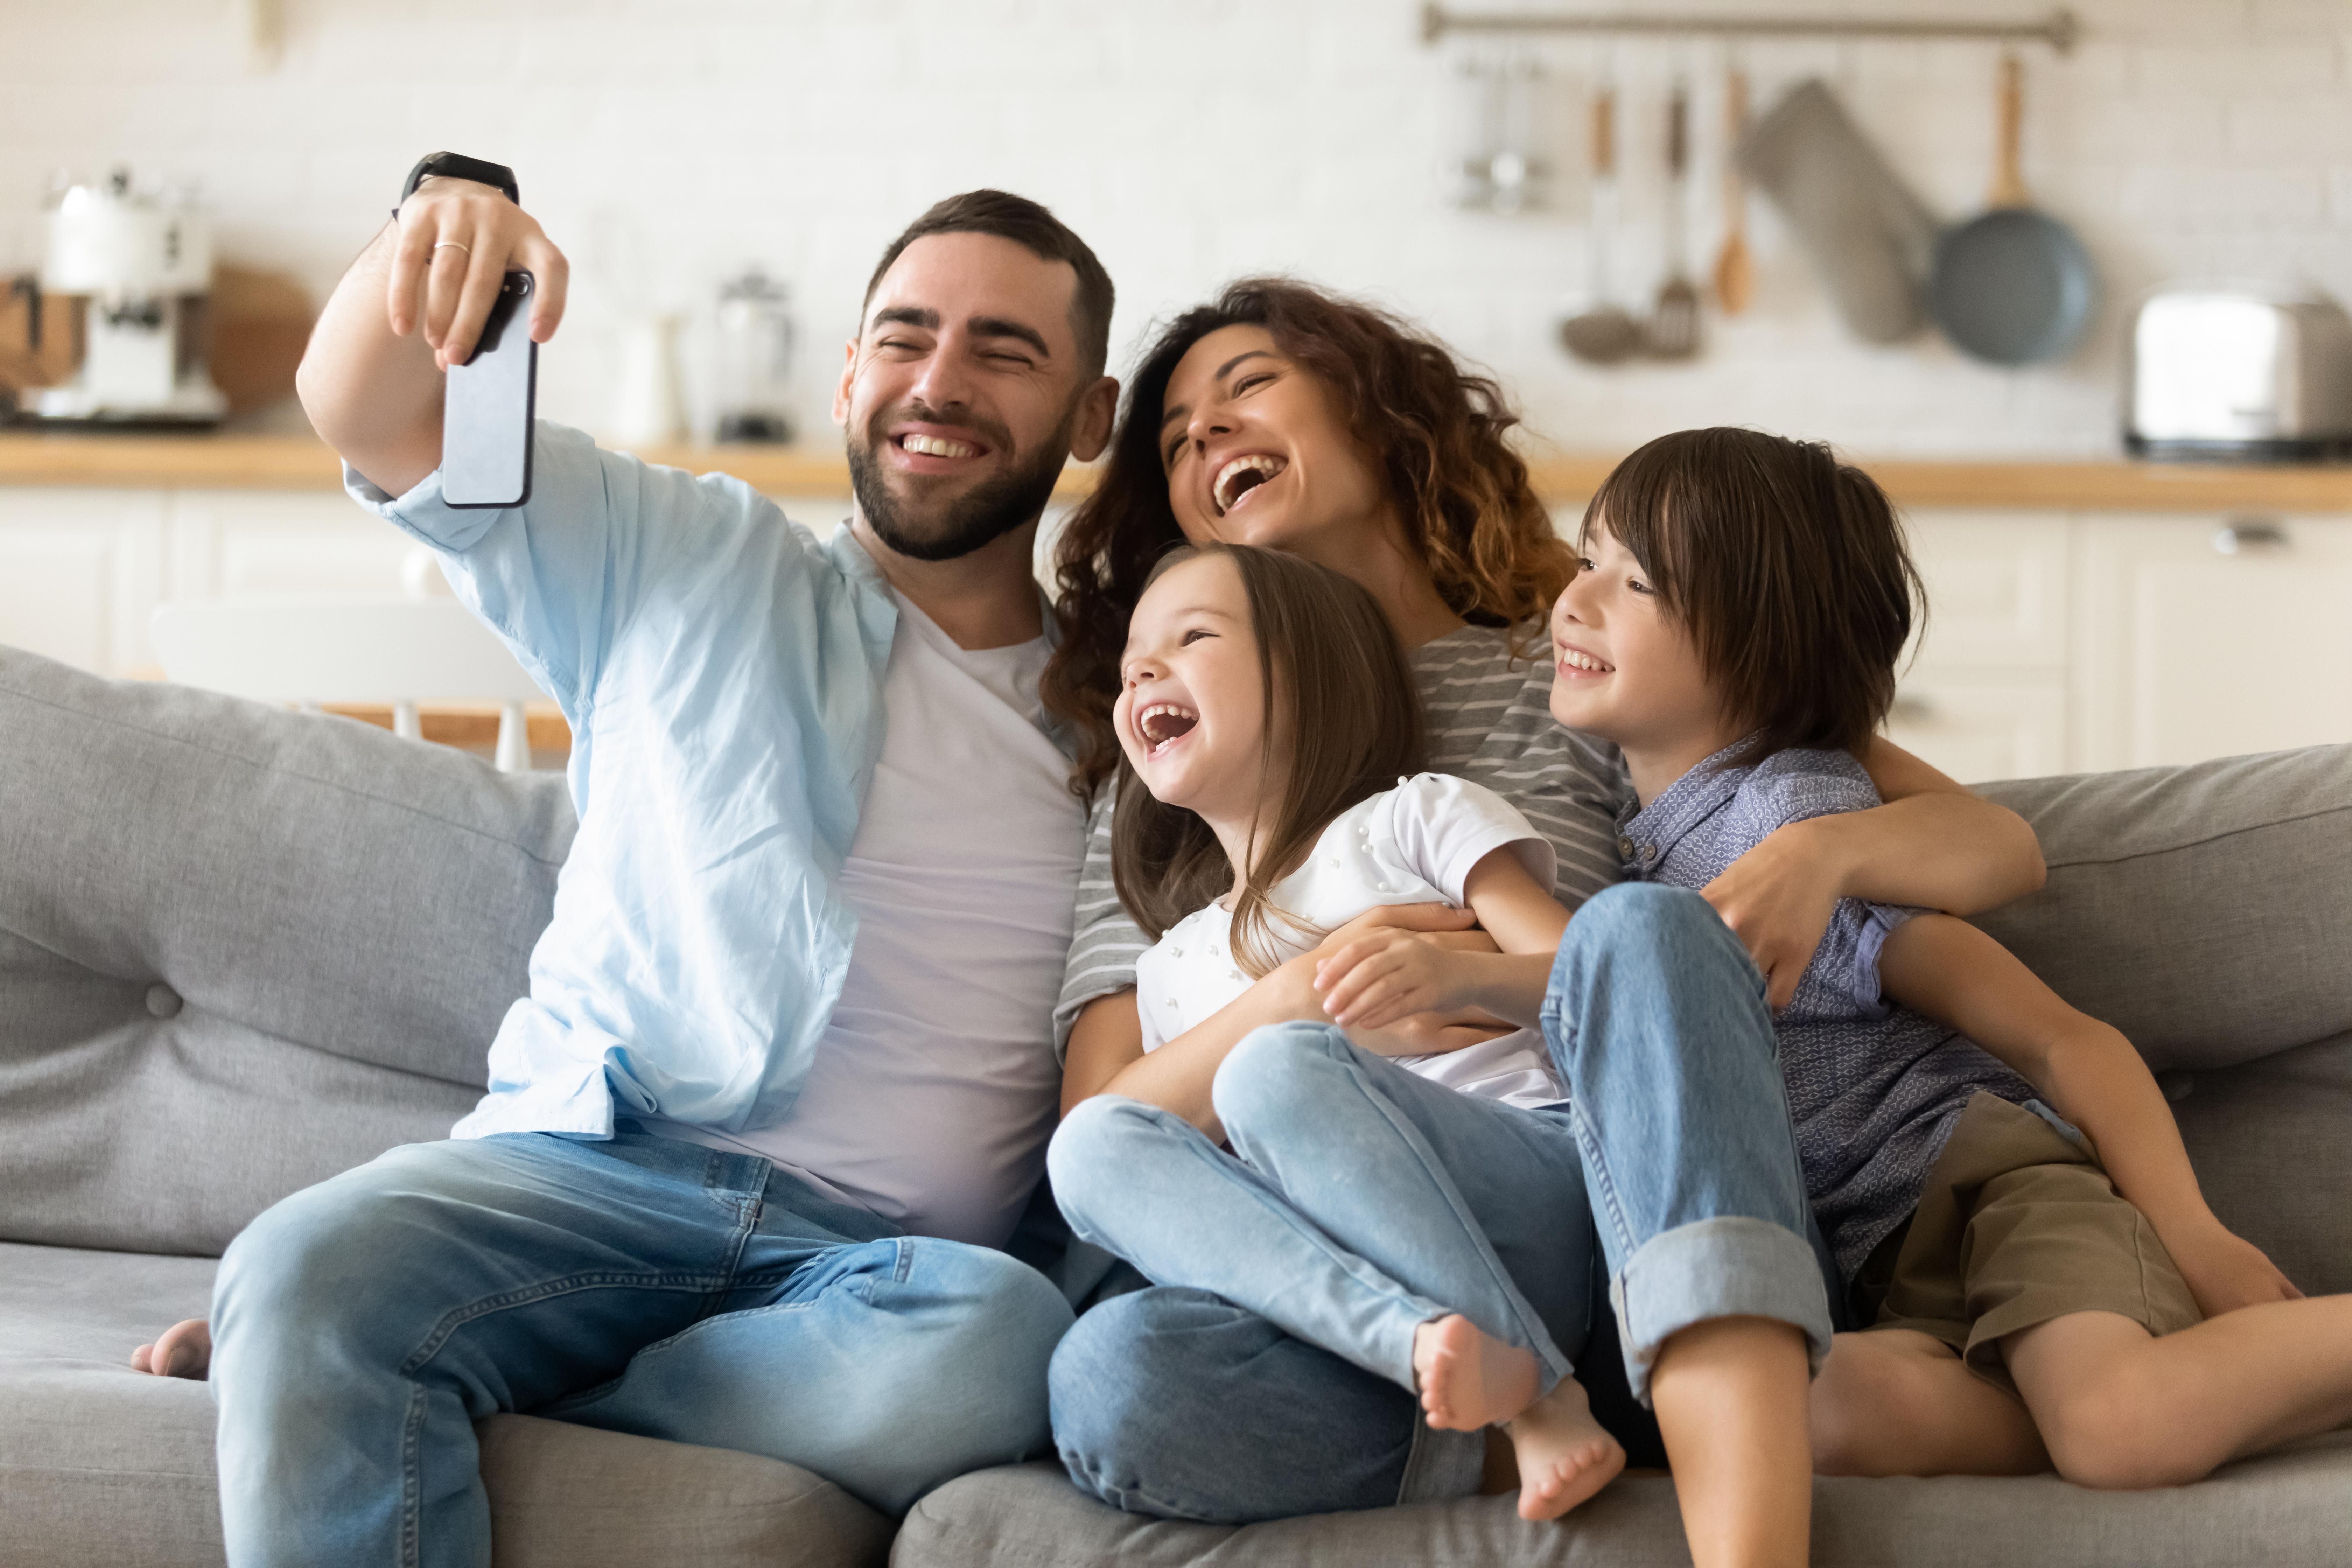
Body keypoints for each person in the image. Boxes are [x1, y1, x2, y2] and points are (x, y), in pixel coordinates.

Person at [128, 174, 1120, 1565]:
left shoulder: (1139, 706)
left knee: (1007, 1350)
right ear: (847, 378)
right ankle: (342, 1336)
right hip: (589, 1175)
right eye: (904, 338)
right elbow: (372, 410)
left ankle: (438, 1373)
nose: (939, 381)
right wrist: (442, 215)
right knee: (297, 1261)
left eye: (1004, 352)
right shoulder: (685, 556)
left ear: (1094, 417)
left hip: (877, 1274)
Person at [1040, 279, 2050, 1526]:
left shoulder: (1571, 659)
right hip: (1348, 1252)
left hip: (1588, 1180)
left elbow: (1982, 840)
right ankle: (1575, 1408)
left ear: (1378, 413)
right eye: (1178, 439)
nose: (1206, 439)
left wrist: (1821, 855)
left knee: (1639, 932)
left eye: (1245, 390)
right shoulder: (1161, 789)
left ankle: (1694, 1379)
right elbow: (1105, 1127)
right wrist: (1311, 1000)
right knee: (1117, 1380)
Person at [1426, 424, 2338, 1560]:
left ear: (1764, 654)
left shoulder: (1785, 822)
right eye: (1587, 559)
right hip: (1863, 1266)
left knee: (2120, 1431)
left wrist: (2196, 1236)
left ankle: (2139, 1379)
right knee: (1804, 1416)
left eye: (1636, 581)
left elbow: (2060, 1039)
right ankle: (2077, 1389)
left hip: (1983, 1192)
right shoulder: (1637, 835)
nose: (1577, 600)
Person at [1048, 542, 1624, 1522]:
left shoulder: (1412, 822)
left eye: (1192, 637)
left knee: (1274, 1073)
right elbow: (1101, 1155)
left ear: (1311, 676)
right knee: (1103, 1351)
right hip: (1342, 1305)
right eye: (1134, 657)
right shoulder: (1174, 965)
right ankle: (1435, 1370)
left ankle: (1540, 1395)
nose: (1142, 668)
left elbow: (1607, 985)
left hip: (1520, 1190)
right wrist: (1294, 996)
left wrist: (1462, 975)